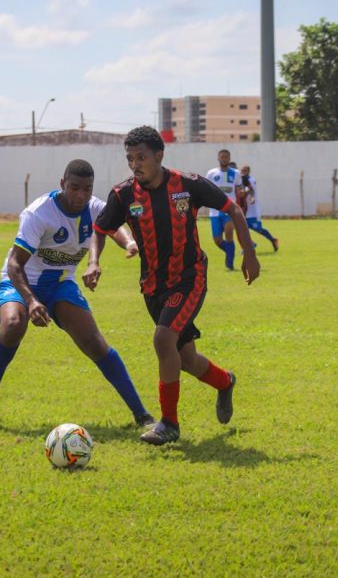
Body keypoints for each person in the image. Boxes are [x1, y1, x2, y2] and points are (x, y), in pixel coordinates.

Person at [84, 126, 260, 445]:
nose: (135, 164)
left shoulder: (187, 185)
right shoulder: (123, 194)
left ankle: (169, 423)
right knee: (186, 358)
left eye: (141, 157)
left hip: (190, 277)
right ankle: (224, 382)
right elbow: (100, 228)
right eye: (130, 158)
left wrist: (249, 253)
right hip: (153, 287)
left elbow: (232, 208)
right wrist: (93, 261)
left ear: (159, 156)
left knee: (164, 338)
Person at [0, 159, 154, 428]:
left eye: (87, 189)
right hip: (21, 280)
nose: (80, 195)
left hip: (59, 283)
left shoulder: (94, 208)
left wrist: (129, 243)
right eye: (74, 188)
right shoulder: (39, 213)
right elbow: (14, 264)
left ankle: (141, 414)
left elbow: (112, 225)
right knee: (12, 325)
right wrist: (31, 301)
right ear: (62, 184)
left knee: (93, 341)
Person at [204, 149, 242, 270]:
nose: (224, 159)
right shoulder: (211, 173)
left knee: (229, 232)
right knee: (217, 240)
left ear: (229, 159)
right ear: (218, 158)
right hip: (215, 211)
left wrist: (242, 192)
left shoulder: (236, 173)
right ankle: (230, 251)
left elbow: (240, 188)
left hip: (229, 210)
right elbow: (205, 188)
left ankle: (229, 264)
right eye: (222, 157)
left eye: (226, 157)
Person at [240, 164, 279, 252]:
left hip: (252, 210)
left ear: (249, 171)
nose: (243, 172)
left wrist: (249, 196)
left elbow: (250, 191)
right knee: (241, 228)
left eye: (245, 171)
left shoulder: (251, 180)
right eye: (242, 170)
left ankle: (273, 240)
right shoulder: (240, 180)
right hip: (244, 210)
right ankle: (250, 244)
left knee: (257, 229)